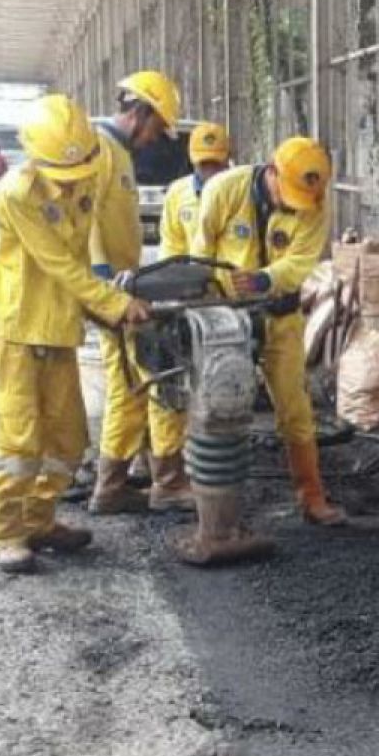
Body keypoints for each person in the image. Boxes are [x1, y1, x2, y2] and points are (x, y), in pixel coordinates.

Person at [0, 94, 151, 574]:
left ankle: (39, 519)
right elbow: (59, 265)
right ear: (36, 156)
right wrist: (115, 304)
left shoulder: (90, 169)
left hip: (59, 329)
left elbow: (92, 248)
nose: (73, 183)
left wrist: (124, 285)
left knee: (70, 439)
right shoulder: (18, 193)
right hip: (16, 331)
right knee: (19, 443)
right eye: (63, 174)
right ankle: (5, 532)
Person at [183, 135, 347, 561]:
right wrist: (208, 302)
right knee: (217, 405)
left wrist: (264, 279)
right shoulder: (225, 189)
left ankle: (311, 496)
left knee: (294, 406)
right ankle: (208, 502)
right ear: (271, 172)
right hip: (227, 317)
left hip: (279, 316)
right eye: (286, 193)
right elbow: (200, 252)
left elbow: (301, 261)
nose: (293, 205)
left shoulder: (315, 200)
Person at [86, 69, 183, 515]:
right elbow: (84, 220)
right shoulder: (99, 150)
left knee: (135, 377)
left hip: (123, 282)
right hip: (111, 289)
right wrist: (106, 285)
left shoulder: (119, 153)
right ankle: (114, 486)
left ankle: (139, 474)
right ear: (140, 112)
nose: (155, 140)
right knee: (129, 381)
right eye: (156, 127)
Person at [144, 121, 233, 512]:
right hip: (184, 300)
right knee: (171, 387)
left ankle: (209, 466)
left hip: (227, 304)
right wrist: (174, 289)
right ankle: (167, 475)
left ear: (227, 160)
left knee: (219, 387)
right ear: (192, 162)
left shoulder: (239, 191)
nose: (209, 172)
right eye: (202, 164)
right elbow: (171, 247)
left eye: (216, 164)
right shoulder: (178, 193)